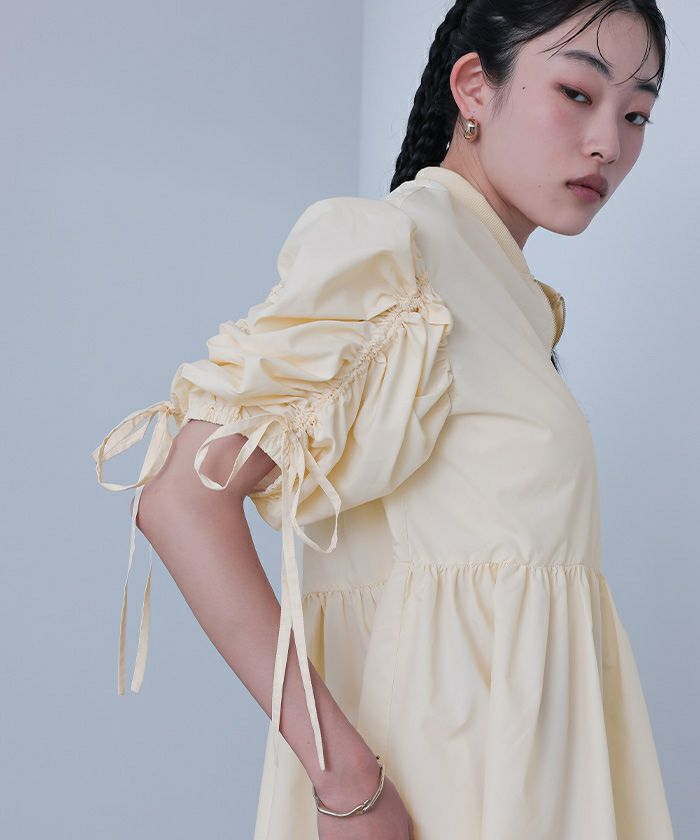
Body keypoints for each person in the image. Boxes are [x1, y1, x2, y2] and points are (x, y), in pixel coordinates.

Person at [90, 1, 675, 838]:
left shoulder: (509, 293)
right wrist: (346, 783)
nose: (608, 144)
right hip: (437, 784)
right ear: (474, 87)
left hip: (526, 774)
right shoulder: (396, 251)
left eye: (637, 115)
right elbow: (182, 499)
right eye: (578, 94)